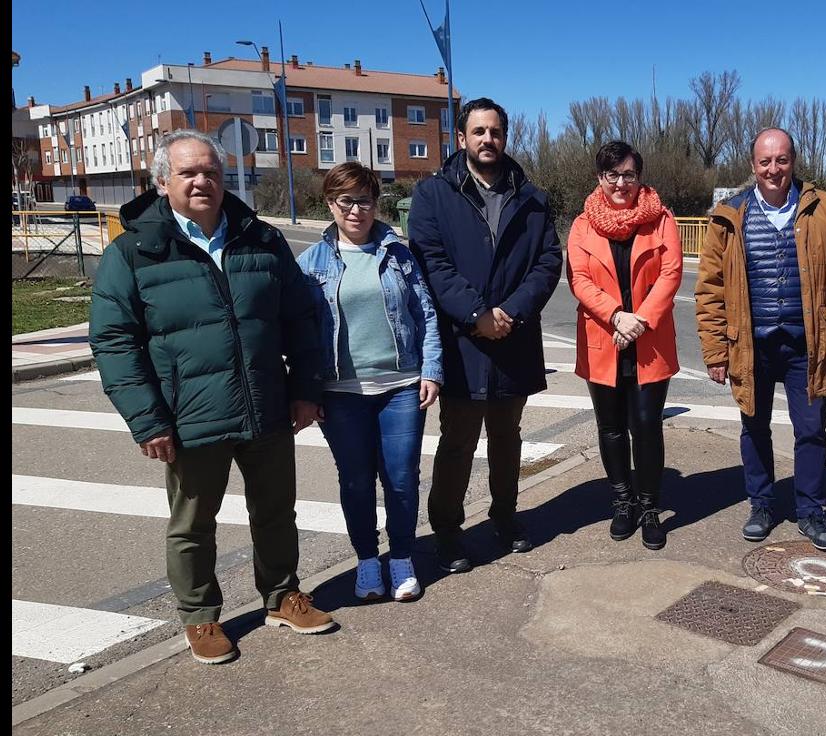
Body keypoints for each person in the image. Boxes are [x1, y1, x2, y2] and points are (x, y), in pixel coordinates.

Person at [89, 129, 334, 665]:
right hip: (188, 417)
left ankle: (282, 596)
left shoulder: (261, 240)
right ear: (161, 182)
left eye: (212, 172)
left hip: (266, 405)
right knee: (193, 524)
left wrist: (304, 391)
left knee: (275, 511)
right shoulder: (133, 252)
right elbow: (113, 341)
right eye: (189, 173)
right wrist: (147, 420)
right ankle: (200, 617)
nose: (202, 181)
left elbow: (300, 320)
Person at [407, 97, 563, 573]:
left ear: (505, 137)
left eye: (495, 132)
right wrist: (476, 313)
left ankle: (505, 517)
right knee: (457, 444)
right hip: (462, 342)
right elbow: (430, 262)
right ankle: (448, 533)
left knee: (507, 439)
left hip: (513, 340)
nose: (487, 140)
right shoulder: (434, 193)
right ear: (462, 138)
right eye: (478, 132)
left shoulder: (531, 196)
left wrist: (510, 312)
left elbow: (548, 261)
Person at [695, 128, 826, 552]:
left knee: (811, 430)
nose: (774, 169)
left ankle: (811, 511)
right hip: (750, 345)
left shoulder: (823, 208)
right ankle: (763, 505)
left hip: (806, 345)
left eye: (782, 160)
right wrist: (716, 351)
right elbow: (710, 289)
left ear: (793, 161)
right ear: (753, 165)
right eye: (765, 161)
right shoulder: (728, 215)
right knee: (754, 427)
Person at [296, 162, 442, 603]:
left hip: (400, 386)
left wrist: (432, 370)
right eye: (346, 201)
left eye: (365, 200)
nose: (356, 210)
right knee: (356, 481)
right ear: (330, 204)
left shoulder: (399, 253)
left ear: (376, 203)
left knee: (400, 478)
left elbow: (426, 314)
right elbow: (298, 332)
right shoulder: (311, 262)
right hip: (341, 393)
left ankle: (401, 558)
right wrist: (306, 388)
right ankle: (366, 560)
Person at [567, 141, 682, 550]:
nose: (621, 183)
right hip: (604, 336)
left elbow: (671, 273)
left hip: (648, 340)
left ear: (640, 177)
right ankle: (623, 502)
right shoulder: (582, 225)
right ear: (600, 178)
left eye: (629, 174)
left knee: (646, 426)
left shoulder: (661, 219)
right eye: (612, 175)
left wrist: (639, 321)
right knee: (612, 428)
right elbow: (579, 280)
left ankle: (649, 507)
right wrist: (617, 316)